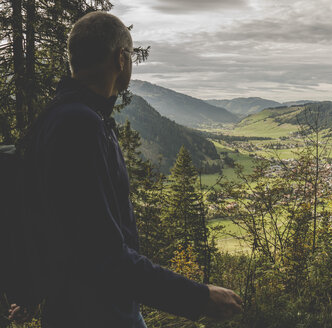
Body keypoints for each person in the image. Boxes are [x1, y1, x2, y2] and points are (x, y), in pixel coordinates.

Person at [8, 11, 242, 328]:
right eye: (129, 56)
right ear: (121, 59)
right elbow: (101, 253)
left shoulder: (64, 116)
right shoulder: (80, 125)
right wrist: (197, 297)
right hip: (98, 311)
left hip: (84, 304)